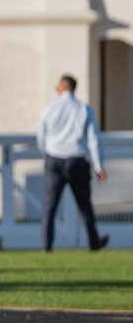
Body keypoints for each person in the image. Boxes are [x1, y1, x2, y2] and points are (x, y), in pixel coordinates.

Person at [38, 74, 109, 252]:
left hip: (54, 159)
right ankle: (94, 242)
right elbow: (94, 139)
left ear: (62, 87)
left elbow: (41, 136)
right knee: (84, 204)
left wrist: (47, 155)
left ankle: (47, 244)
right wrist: (98, 165)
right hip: (77, 160)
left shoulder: (50, 109)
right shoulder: (84, 109)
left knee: (50, 205)